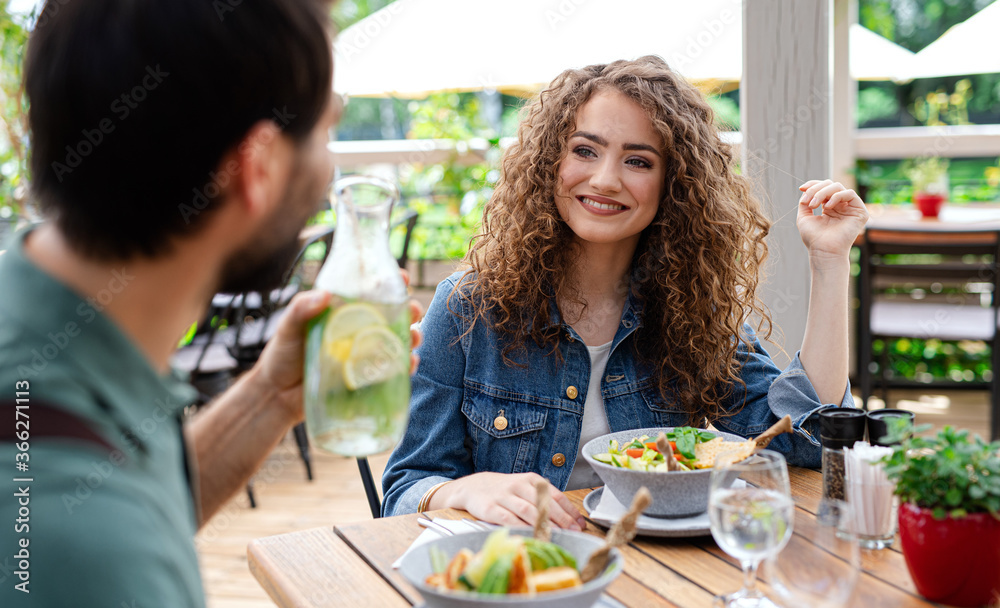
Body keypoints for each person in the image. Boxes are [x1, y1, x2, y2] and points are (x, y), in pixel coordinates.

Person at [0, 1, 420, 605]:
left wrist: (267, 399)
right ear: (259, 166)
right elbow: (102, 534)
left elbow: (132, 500)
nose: (329, 166)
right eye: (327, 129)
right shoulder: (82, 555)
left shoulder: (61, 341)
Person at [382, 56, 869, 529]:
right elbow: (405, 491)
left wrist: (828, 263)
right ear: (551, 160)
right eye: (585, 150)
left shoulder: (689, 310)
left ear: (674, 185)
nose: (605, 179)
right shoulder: (469, 307)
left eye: (637, 160)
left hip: (658, 570)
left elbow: (808, 439)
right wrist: (468, 489)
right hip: (526, 574)